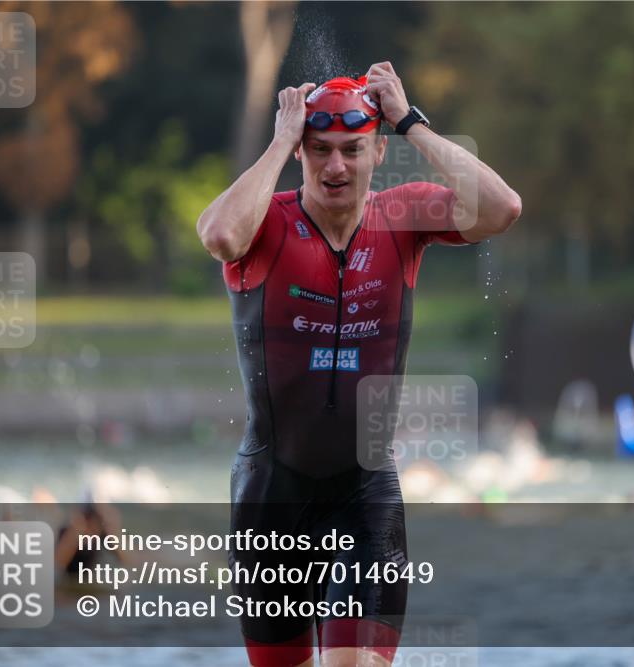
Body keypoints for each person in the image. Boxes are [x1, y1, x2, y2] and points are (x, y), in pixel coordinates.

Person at [196, 62, 521, 667]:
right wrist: (277, 142)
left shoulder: (403, 219)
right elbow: (218, 236)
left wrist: (409, 122)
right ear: (301, 152)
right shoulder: (267, 224)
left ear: (376, 150)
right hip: (273, 493)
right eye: (318, 150)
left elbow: (501, 208)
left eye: (351, 149)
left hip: (365, 493)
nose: (335, 166)